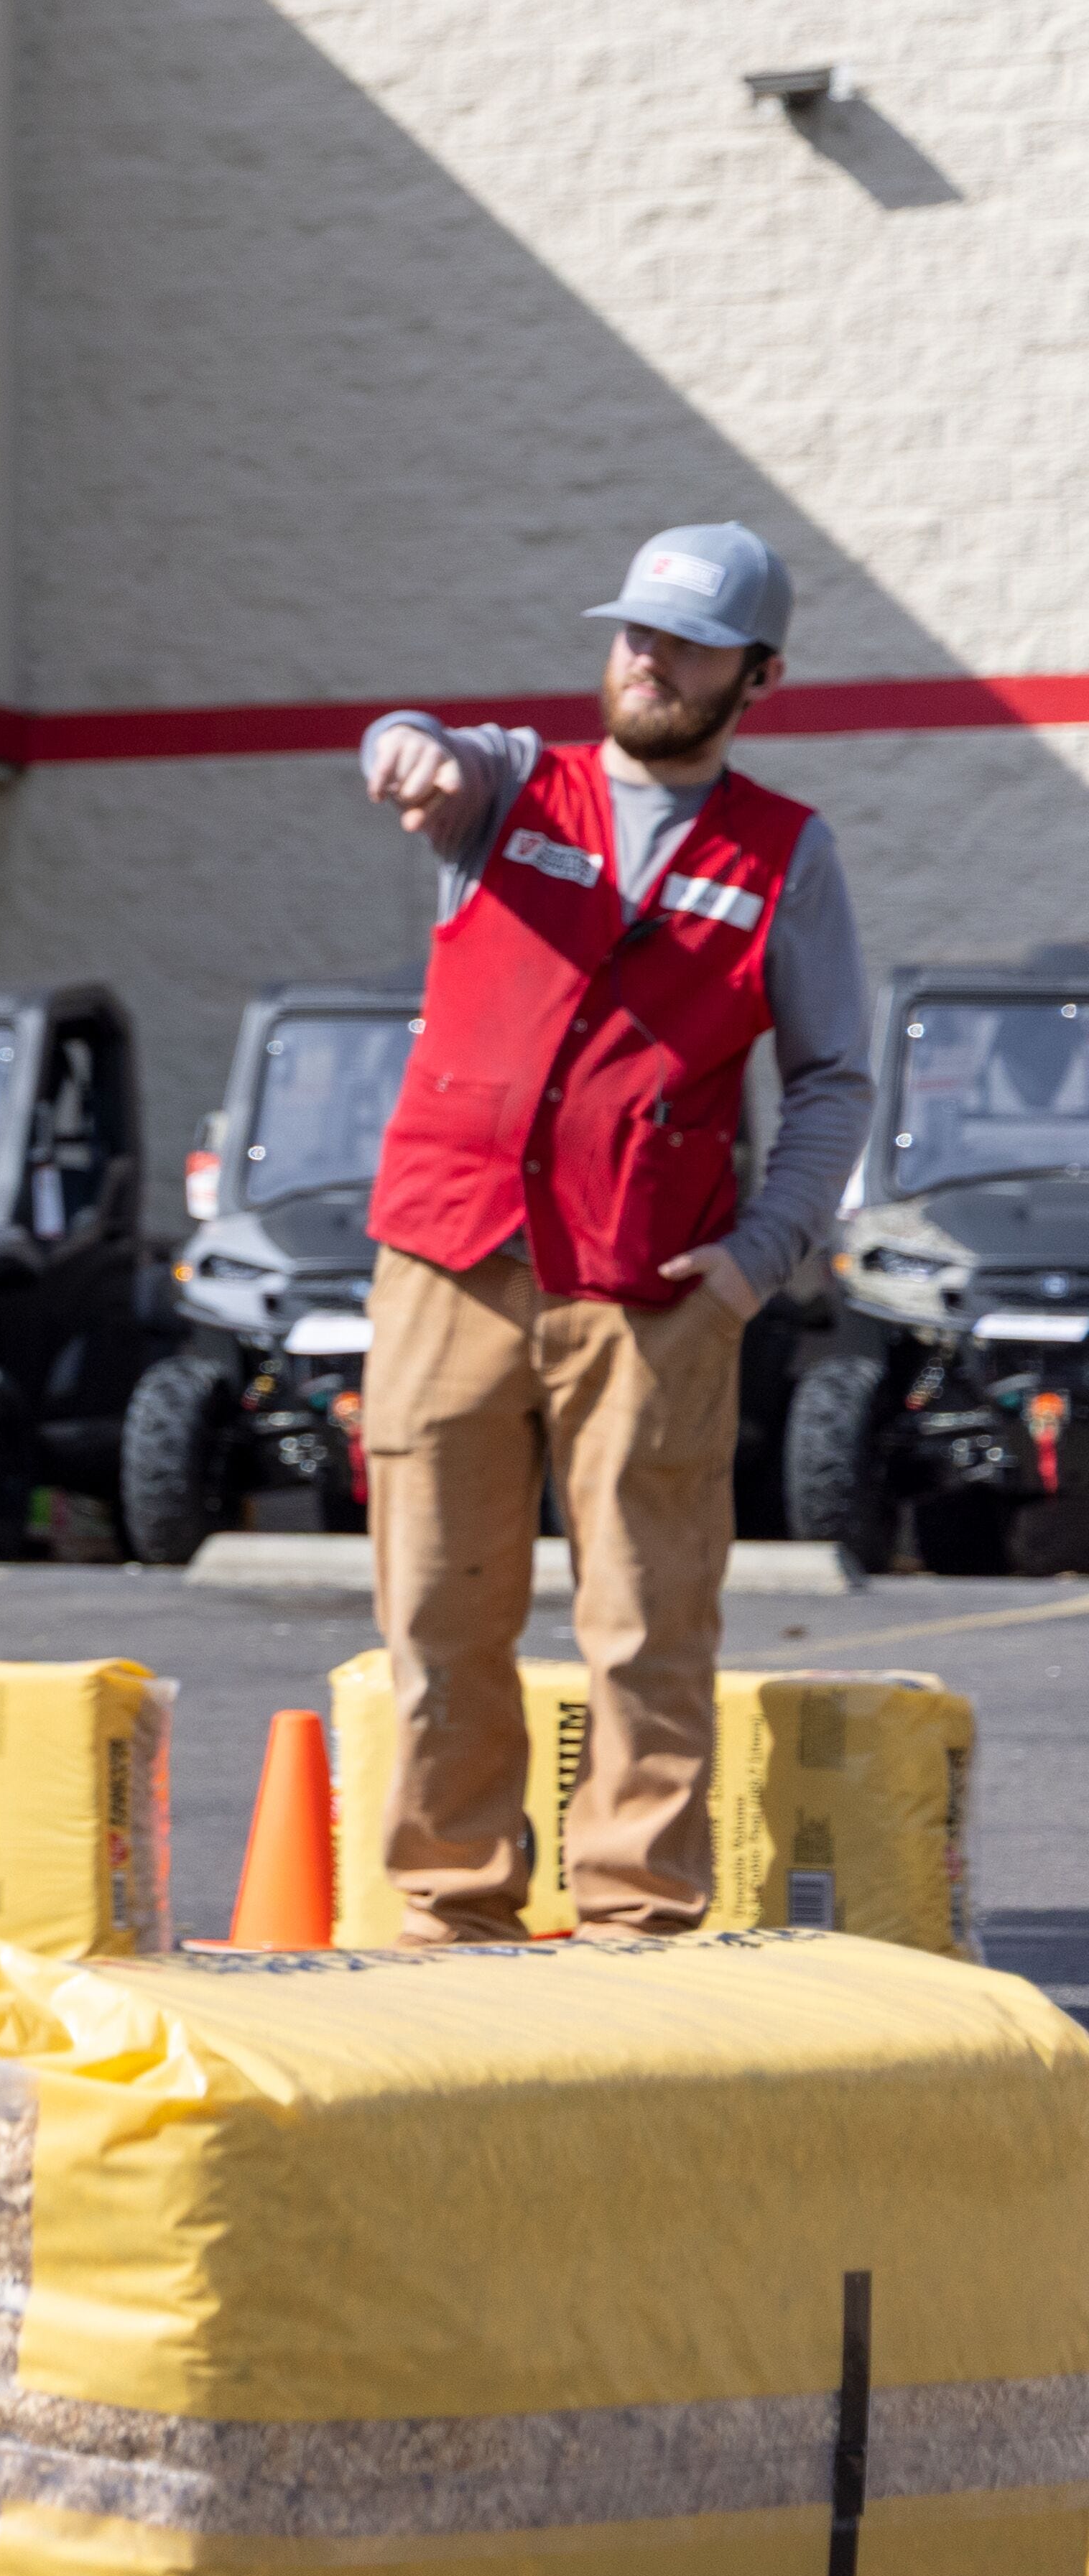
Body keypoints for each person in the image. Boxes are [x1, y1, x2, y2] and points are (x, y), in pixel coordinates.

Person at [351, 522, 864, 1937]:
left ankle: (636, 1919)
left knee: (646, 1626)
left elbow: (831, 1081)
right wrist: (408, 749)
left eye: (685, 642)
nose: (645, 658)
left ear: (755, 674)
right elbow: (409, 741)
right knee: (438, 1617)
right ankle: (450, 1909)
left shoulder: (785, 854)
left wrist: (757, 1263)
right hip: (445, 1262)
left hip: (652, 1290)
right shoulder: (510, 784)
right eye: (633, 630)